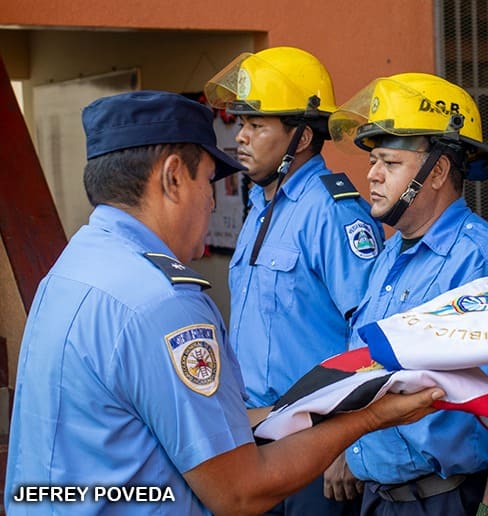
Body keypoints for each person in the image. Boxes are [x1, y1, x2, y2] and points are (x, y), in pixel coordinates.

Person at [4, 90, 442, 516]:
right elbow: (239, 494)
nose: (213, 200)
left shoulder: (72, 268)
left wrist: (307, 411)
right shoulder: (163, 302)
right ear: (173, 177)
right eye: (208, 180)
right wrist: (371, 419)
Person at [328, 72, 488, 516]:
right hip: (379, 496)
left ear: (437, 171)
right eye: (373, 162)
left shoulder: (484, 261)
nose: (371, 175)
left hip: (448, 499)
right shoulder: (390, 254)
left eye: (389, 163)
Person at [203, 47, 383, 515]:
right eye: (241, 124)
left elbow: (372, 332)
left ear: (301, 137)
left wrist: (347, 442)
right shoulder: (261, 205)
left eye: (257, 126)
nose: (241, 137)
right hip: (255, 435)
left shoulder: (333, 212)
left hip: (314, 444)